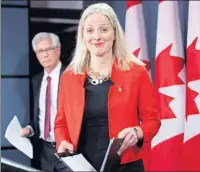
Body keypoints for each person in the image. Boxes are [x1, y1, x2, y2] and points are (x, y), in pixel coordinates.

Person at [54, 3, 161, 172]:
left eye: (103, 30)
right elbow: (61, 124)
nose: (96, 36)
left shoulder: (137, 72)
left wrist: (137, 132)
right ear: (82, 36)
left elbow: (152, 121)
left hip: (125, 165)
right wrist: (62, 142)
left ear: (115, 34)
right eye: (89, 31)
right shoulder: (69, 77)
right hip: (79, 165)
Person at [20, 32, 66, 172]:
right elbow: (39, 116)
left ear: (57, 50)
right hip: (44, 150)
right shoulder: (36, 81)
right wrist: (30, 129)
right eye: (40, 51)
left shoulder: (71, 76)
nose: (45, 55)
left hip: (67, 149)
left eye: (48, 49)